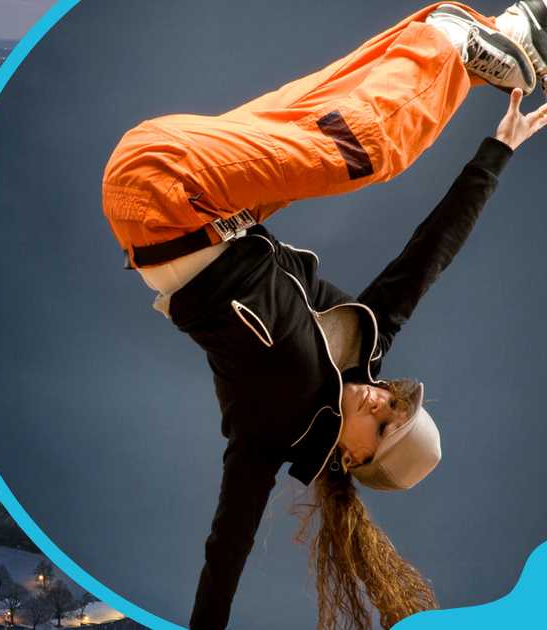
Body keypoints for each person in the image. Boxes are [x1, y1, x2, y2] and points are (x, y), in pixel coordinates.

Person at [101, 3, 547, 630]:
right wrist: (498, 150)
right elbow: (431, 254)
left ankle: (451, 45)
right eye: (396, 402)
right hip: (220, 200)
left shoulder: (266, 434)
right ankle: (486, 43)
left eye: (384, 426)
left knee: (367, 150)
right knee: (325, 111)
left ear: (350, 461)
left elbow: (225, 551)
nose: (379, 401)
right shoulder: (365, 340)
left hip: (161, 200)